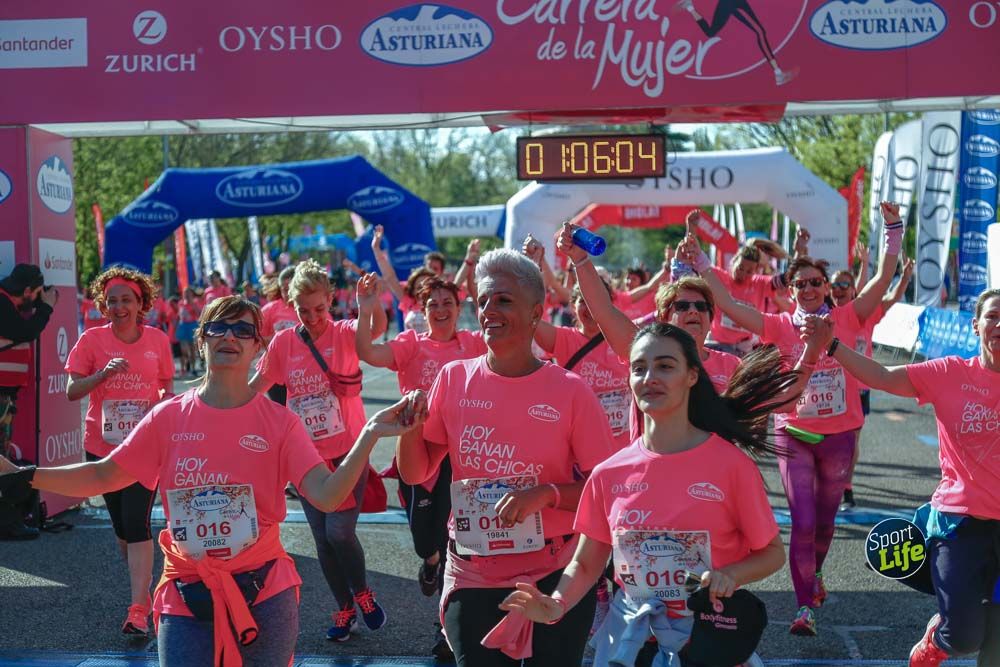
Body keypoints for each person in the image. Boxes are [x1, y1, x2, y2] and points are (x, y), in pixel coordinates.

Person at [0, 295, 418, 665]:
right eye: (218, 327)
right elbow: (102, 474)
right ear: (202, 340)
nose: (229, 337)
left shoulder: (280, 422)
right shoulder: (168, 417)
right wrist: (23, 478)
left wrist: (368, 435)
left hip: (265, 591)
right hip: (186, 591)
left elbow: (327, 496)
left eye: (242, 330)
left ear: (258, 347)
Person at [499, 323, 821, 666]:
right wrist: (556, 603)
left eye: (665, 366)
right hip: (628, 642)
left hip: (707, 640)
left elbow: (771, 553)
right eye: (639, 368)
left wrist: (732, 575)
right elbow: (586, 562)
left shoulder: (731, 466)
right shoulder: (609, 474)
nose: (649, 377)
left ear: (692, 376)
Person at [681, 202, 904, 636]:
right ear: (794, 288)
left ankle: (814, 574)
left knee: (824, 522)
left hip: (840, 435)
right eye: (800, 283)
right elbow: (726, 301)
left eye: (815, 282)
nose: (808, 289)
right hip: (794, 433)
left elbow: (882, 277)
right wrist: (702, 263)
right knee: (801, 521)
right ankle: (805, 606)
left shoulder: (848, 316)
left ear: (825, 287)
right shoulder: (778, 325)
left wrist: (892, 229)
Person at [394, 249, 617, 666]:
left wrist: (546, 494)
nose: (489, 310)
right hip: (474, 570)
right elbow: (416, 470)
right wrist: (408, 427)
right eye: (483, 301)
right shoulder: (454, 378)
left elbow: (604, 493)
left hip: (555, 572)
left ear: (536, 314)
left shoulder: (570, 390)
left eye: (504, 300)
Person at [800, 287, 1000, 667]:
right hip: (961, 521)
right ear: (976, 326)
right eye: (993, 316)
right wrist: (832, 346)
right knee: (962, 636)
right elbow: (881, 375)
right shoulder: (950, 373)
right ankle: (938, 637)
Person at [250, 260, 388, 641]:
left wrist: (368, 302)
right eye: (303, 310)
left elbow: (375, 330)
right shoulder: (283, 342)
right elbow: (258, 387)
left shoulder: (345, 332)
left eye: (320, 309)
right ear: (290, 305)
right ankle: (344, 608)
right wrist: (223, 407)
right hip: (305, 456)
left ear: (331, 300)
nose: (312, 318)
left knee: (340, 531)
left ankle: (362, 593)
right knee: (322, 539)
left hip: (349, 451)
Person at [355, 276, 486, 660]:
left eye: (448, 302)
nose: (442, 309)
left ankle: (444, 628)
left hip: (458, 455)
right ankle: (428, 562)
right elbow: (368, 352)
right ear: (423, 311)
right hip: (415, 452)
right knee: (424, 541)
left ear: (458, 308)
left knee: (454, 544)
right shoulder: (411, 345)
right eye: (434, 304)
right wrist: (367, 309)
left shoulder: (472, 343)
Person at [64, 268, 174, 635]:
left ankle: (139, 608)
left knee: (138, 522)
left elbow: (165, 387)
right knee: (123, 531)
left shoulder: (157, 340)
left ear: (141, 303)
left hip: (144, 447)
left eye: (126, 299)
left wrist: (167, 406)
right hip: (102, 447)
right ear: (103, 305)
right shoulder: (92, 341)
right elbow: (72, 391)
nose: (118, 306)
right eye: (112, 300)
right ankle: (142, 588)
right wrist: (103, 376)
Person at [831, 253, 914, 511]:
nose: (839, 289)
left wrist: (905, 279)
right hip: (831, 388)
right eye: (835, 284)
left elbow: (889, 299)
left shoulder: (863, 315)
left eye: (845, 285)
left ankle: (846, 488)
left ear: (853, 289)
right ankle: (827, 484)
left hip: (859, 387)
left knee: (851, 442)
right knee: (830, 441)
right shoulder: (825, 316)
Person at [0, 264, 57, 540]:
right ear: (26, 291)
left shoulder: (6, 301)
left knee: (2, 456)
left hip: (4, 394)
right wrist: (46, 308)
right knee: (1, 459)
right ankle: (8, 524)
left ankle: (9, 520)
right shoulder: (1, 302)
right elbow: (25, 331)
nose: (35, 299)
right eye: (35, 294)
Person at [675, 0, 797, 85]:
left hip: (728, 3)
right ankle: (778, 73)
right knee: (760, 32)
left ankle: (689, 7)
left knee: (711, 32)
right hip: (733, 2)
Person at [259, 266, 298, 406]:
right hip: (276, 372)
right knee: (282, 414)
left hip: (304, 373)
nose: (287, 293)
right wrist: (275, 340)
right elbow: (257, 339)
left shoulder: (309, 308)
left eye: (291, 288)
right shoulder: (270, 310)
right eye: (283, 289)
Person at [176, 287, 202, 377]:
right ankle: (186, 364)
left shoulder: (195, 303)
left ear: (192, 294)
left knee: (192, 349)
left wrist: (194, 307)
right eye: (185, 293)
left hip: (192, 325)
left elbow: (199, 314)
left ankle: (193, 368)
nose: (187, 295)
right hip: (183, 326)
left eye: (188, 293)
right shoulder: (180, 303)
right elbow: (178, 315)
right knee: (184, 350)